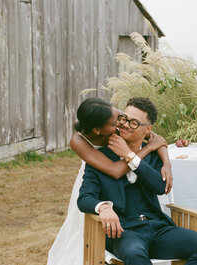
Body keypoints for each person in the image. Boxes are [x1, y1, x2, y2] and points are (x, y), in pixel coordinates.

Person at [78, 97, 197, 265]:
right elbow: (84, 198)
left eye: (134, 123)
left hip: (158, 228)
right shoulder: (100, 159)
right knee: (135, 254)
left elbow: (160, 187)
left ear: (148, 130)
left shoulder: (154, 156)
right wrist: (103, 207)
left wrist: (131, 156)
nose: (125, 125)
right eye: (124, 119)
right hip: (124, 232)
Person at [47, 98, 172, 265]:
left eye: (120, 117)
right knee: (80, 234)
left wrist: (166, 163)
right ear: (98, 130)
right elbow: (116, 170)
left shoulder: (114, 118)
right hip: (100, 177)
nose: (121, 125)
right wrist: (146, 149)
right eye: (115, 123)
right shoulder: (78, 141)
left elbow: (154, 137)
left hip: (122, 171)